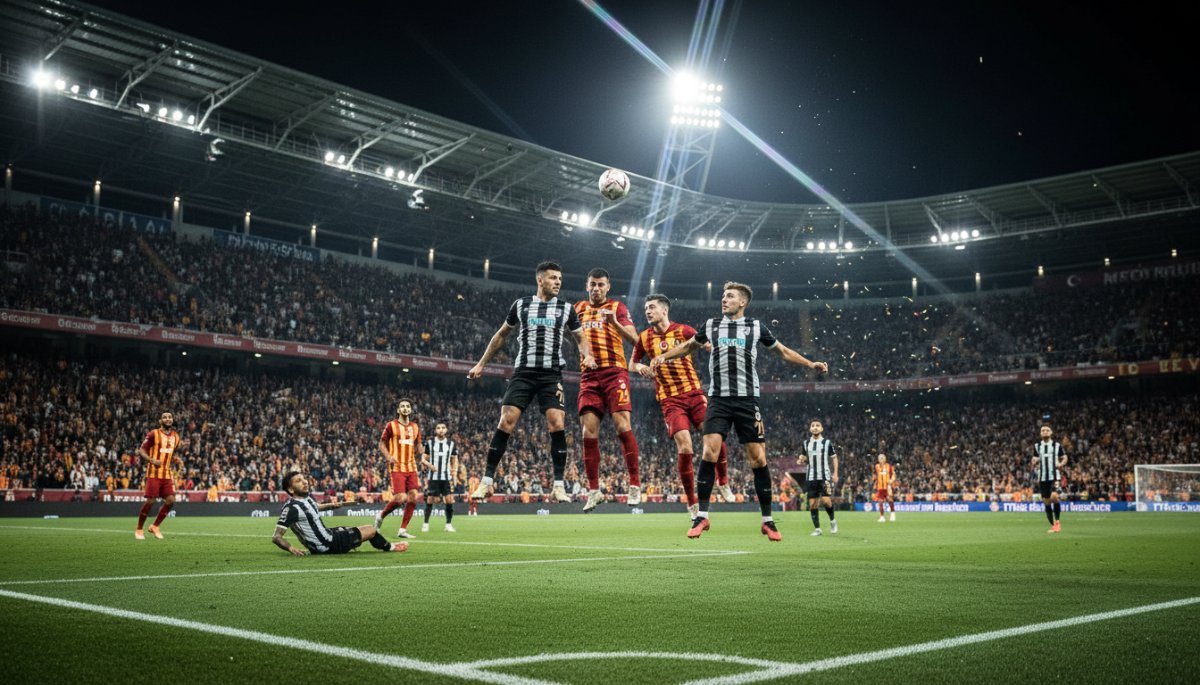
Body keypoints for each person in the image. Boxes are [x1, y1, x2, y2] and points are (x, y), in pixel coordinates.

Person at [650, 281, 827, 541]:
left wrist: (810, 364)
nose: (724, 299)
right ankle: (702, 516)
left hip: (747, 400)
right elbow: (688, 346)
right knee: (709, 451)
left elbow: (782, 351)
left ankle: (767, 521)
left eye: (730, 296)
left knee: (758, 459)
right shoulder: (712, 325)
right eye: (723, 296)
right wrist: (664, 356)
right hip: (718, 400)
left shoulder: (755, 327)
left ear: (742, 302)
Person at [468, 261, 597, 503]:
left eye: (560, 278)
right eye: (553, 278)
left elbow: (580, 338)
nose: (558, 282)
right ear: (540, 280)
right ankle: (487, 482)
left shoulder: (566, 309)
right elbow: (501, 335)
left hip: (551, 374)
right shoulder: (521, 305)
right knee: (506, 421)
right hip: (524, 373)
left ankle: (558, 486)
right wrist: (481, 363)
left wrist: (587, 355)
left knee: (557, 422)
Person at [631, 293, 735, 520]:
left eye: (652, 307)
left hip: (694, 394)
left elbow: (704, 344)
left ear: (664, 310)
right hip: (670, 399)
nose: (647, 311)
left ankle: (723, 481)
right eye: (646, 308)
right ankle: (691, 503)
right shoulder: (644, 337)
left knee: (714, 436)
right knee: (685, 446)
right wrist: (640, 368)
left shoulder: (683, 330)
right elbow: (632, 363)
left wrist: (711, 347)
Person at [574, 268, 643, 510]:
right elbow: (572, 336)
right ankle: (594, 491)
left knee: (622, 425)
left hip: (615, 372)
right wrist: (584, 353)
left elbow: (636, 340)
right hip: (589, 375)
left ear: (608, 287)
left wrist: (614, 323)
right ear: (587, 285)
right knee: (587, 432)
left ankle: (634, 485)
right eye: (592, 284)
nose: (596, 288)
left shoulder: (617, 308)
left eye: (601, 284)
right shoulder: (578, 308)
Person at [272, 471, 407, 555]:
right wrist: (291, 548)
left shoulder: (306, 499)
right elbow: (276, 537)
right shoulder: (291, 508)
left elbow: (315, 508)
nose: (305, 482)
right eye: (298, 481)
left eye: (303, 479)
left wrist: (334, 505)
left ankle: (361, 542)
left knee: (353, 529)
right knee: (370, 529)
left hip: (328, 535)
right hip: (327, 544)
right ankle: (391, 547)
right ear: (290, 489)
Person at [375, 399, 422, 538]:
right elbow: (381, 444)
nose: (405, 408)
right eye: (402, 406)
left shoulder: (415, 427)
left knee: (413, 497)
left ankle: (402, 529)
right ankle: (380, 516)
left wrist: (423, 453)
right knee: (400, 498)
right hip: (397, 466)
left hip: (411, 466)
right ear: (398, 410)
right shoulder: (391, 425)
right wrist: (388, 456)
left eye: (408, 406)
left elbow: (418, 445)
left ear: (411, 410)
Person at [136, 411, 182, 540]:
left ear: (172, 420)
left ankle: (155, 526)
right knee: (151, 500)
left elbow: (170, 453)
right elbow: (141, 450)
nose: (168, 419)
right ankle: (139, 529)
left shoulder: (176, 437)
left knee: (171, 500)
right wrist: (152, 460)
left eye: (170, 417)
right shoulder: (153, 434)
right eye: (165, 417)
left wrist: (175, 459)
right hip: (153, 473)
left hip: (166, 474)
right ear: (160, 421)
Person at [798, 419, 839, 536]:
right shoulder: (806, 443)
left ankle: (832, 521)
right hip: (811, 477)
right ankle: (817, 529)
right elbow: (804, 457)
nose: (815, 427)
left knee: (826, 501)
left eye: (817, 425)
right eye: (813, 426)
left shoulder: (827, 443)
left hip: (824, 476)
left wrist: (835, 473)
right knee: (812, 503)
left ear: (821, 429)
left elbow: (834, 458)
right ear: (810, 429)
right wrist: (801, 460)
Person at [420, 421, 459, 533]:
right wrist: (429, 465)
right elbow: (423, 459)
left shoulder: (451, 444)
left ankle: (448, 525)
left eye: (443, 428)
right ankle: (426, 524)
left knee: (449, 499)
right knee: (430, 499)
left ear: (446, 430)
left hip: (446, 477)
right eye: (438, 428)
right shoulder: (430, 443)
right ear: (435, 430)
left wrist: (454, 473)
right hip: (433, 477)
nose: (441, 430)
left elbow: (454, 460)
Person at [1034, 424, 1069, 533]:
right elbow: (1034, 459)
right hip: (1042, 477)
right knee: (1046, 501)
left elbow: (1065, 457)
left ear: (1051, 432)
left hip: (1054, 476)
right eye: (1042, 430)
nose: (1044, 432)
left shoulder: (1056, 445)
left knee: (1054, 496)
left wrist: (1061, 464)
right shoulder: (1037, 446)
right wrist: (1035, 462)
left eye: (1047, 430)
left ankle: (1057, 523)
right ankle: (1053, 525)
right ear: (1040, 433)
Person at [873, 453, 896, 522]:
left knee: (890, 500)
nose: (881, 459)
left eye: (883, 458)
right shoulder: (876, 466)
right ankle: (882, 517)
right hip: (880, 487)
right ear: (878, 460)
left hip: (887, 487)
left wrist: (891, 481)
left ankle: (892, 514)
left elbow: (893, 475)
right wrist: (875, 483)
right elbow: (875, 476)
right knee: (880, 502)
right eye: (880, 458)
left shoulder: (889, 466)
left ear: (885, 459)